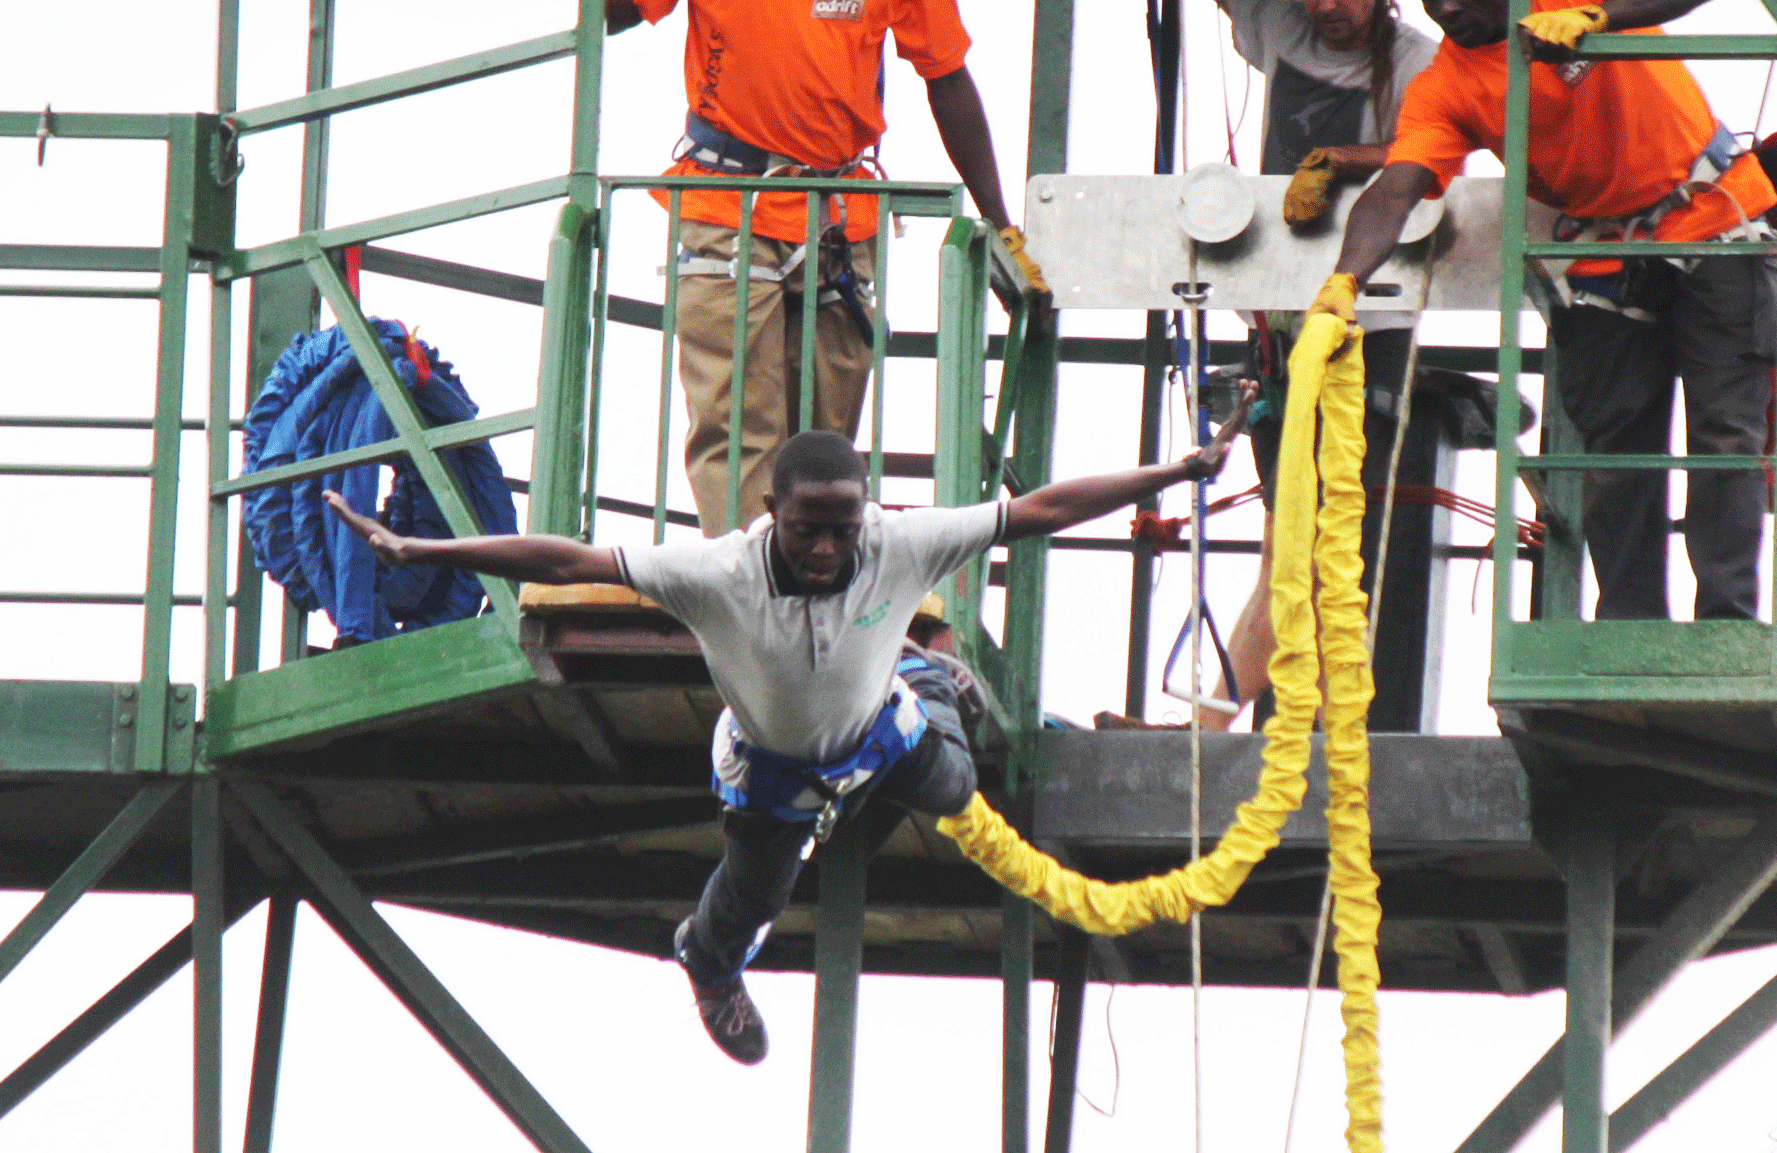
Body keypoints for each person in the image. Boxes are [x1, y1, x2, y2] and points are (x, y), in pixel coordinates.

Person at [323, 416, 1244, 1065]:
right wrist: (425, 553)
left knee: (956, 788)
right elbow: (570, 560)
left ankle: (931, 671)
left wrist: (1174, 475)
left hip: (885, 734)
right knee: (751, 897)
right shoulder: (717, 575)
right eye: (808, 529)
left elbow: (1038, 511)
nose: (825, 551)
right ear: (771, 507)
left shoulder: (895, 544)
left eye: (843, 530)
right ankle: (709, 968)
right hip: (775, 770)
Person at [562, 0, 1032, 537]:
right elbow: (617, 10)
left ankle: (815, 575)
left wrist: (999, 220)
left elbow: (947, 79)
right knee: (735, 419)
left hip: (839, 215)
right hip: (724, 199)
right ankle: (747, 577)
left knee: (822, 440)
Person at [1330, 0, 1777, 621]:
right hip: (1604, 257)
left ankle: (1727, 624)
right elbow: (1396, 190)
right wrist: (1341, 286)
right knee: (1615, 448)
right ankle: (1631, 629)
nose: (1450, 8)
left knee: (1726, 436)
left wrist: (1599, 17)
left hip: (1714, 220)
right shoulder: (1446, 86)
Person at [1142, 0, 1450, 729]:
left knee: (1311, 541)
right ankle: (1223, 723)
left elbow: (1436, 151)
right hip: (1276, 320)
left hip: (1366, 322)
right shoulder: (1281, 32)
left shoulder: (1423, 65)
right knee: (1299, 537)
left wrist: (1342, 160)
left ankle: (1210, 726)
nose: (1324, 3)